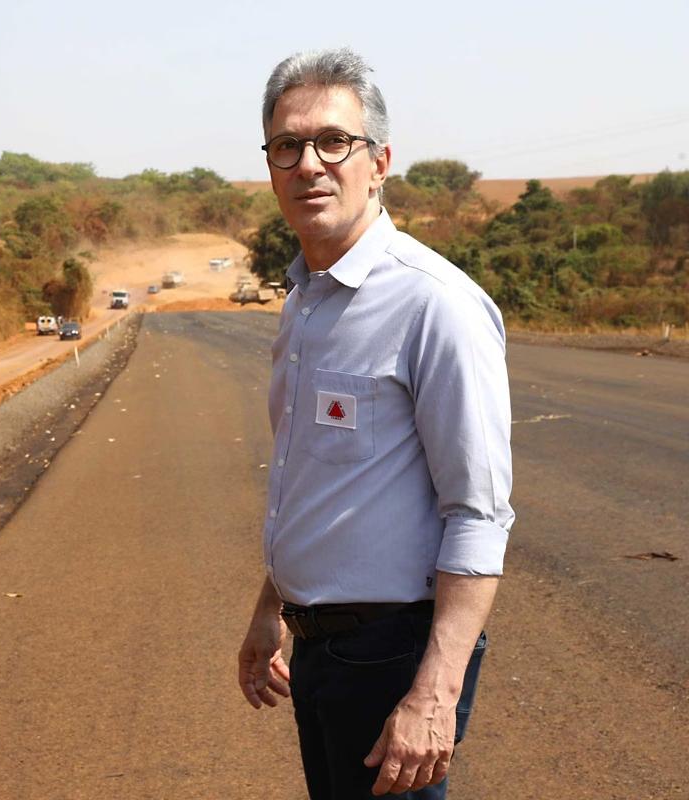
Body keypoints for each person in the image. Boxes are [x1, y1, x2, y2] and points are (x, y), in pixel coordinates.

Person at [236, 48, 514, 799]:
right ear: (270, 166)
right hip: (319, 651)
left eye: (334, 141)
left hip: (394, 657)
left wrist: (434, 696)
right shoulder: (305, 302)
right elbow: (313, 478)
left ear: (380, 161)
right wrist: (272, 611)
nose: (309, 164)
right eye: (287, 146)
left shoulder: (436, 306)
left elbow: (479, 515)